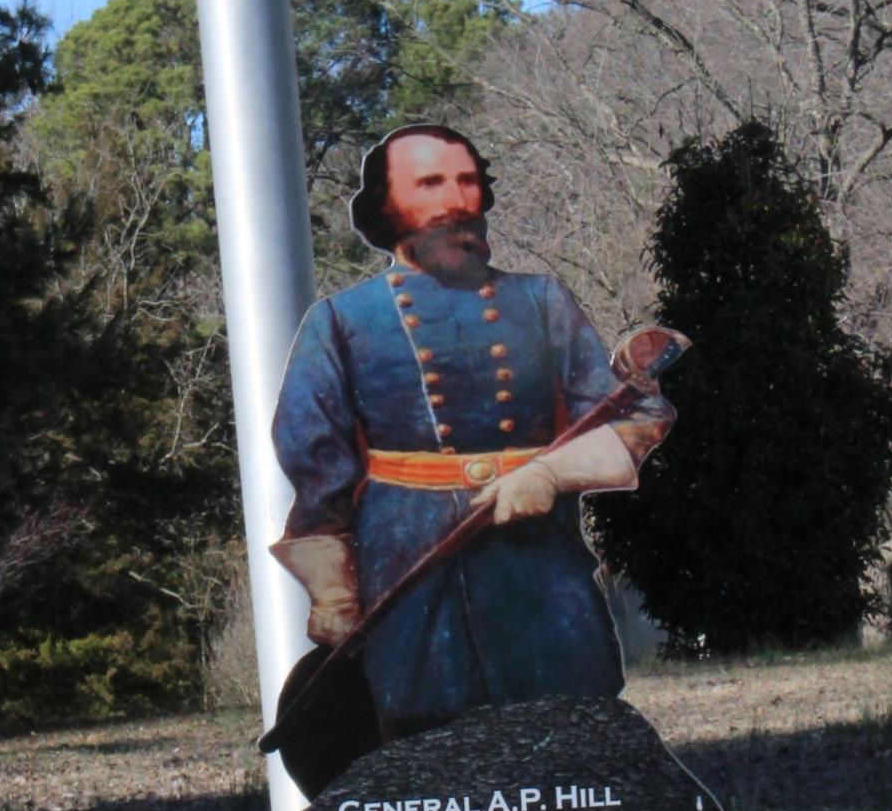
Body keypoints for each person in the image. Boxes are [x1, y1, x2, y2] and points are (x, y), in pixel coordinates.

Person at [271, 125, 672, 736]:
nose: (455, 199)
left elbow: (634, 418)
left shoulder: (542, 301)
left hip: (538, 566)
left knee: (574, 723)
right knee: (423, 734)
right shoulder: (339, 322)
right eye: (429, 183)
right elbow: (317, 472)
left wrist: (549, 472)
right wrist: (334, 593)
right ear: (385, 204)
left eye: (466, 180)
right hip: (407, 567)